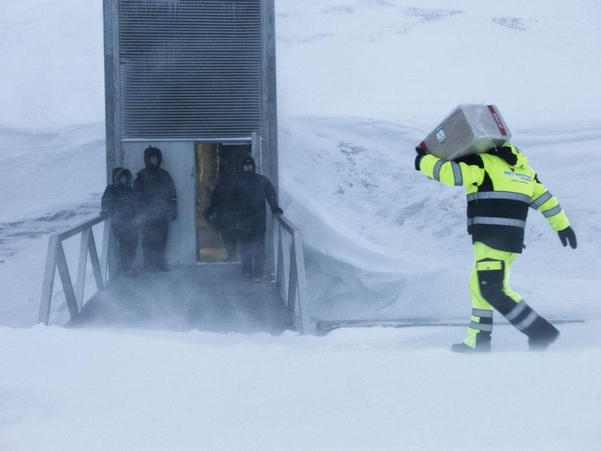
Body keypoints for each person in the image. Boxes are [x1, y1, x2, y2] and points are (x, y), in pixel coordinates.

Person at [414, 142, 577, 352]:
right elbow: (547, 200)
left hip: (491, 238)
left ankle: (539, 331)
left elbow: (451, 174)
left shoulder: (484, 162)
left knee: (491, 289)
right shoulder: (524, 171)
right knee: (479, 286)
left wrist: (423, 160)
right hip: (510, 241)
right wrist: (563, 226)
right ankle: (478, 341)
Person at [233, 154, 283, 282]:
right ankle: (247, 272)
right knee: (245, 247)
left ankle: (258, 274)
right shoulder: (237, 182)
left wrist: (275, 208)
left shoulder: (262, 180)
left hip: (258, 220)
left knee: (259, 247)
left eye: (250, 165)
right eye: (245, 165)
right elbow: (229, 201)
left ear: (253, 166)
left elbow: (271, 195)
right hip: (243, 221)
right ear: (242, 167)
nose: (248, 167)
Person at [133, 146, 177, 272]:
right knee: (148, 240)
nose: (154, 160)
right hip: (148, 215)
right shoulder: (140, 176)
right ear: (148, 159)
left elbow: (172, 194)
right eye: (152, 158)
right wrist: (140, 213)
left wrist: (173, 209)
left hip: (162, 214)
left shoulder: (165, 174)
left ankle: (160, 263)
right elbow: (136, 196)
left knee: (162, 239)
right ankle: (149, 264)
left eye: (156, 158)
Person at [101, 167, 139, 276]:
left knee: (133, 244)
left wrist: (138, 216)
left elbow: (135, 205)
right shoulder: (111, 189)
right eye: (121, 176)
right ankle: (126, 269)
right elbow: (106, 201)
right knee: (125, 245)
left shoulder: (129, 190)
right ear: (116, 178)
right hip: (120, 223)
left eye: (124, 176)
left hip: (131, 222)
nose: (123, 179)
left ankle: (129, 266)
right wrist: (105, 210)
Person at [204, 170, 239, 261]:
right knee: (230, 234)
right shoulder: (234, 184)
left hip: (225, 213)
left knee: (227, 235)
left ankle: (231, 253)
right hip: (229, 213)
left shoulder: (221, 186)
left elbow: (215, 200)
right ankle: (232, 253)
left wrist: (210, 211)